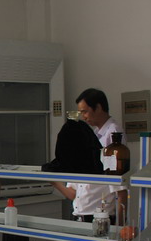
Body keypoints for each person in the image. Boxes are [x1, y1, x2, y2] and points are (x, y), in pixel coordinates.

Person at [53, 88, 128, 226]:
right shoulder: (93, 134)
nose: (83, 117)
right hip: (80, 215)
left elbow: (119, 186)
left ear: (98, 107)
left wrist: (119, 227)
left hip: (99, 216)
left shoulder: (113, 134)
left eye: (85, 111)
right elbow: (74, 192)